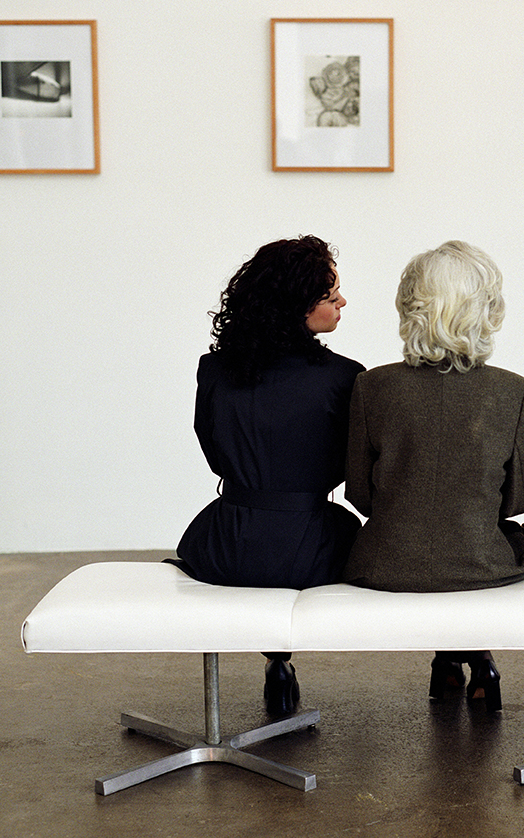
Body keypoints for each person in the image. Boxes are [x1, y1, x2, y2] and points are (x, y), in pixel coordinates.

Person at [343, 241, 524, 711]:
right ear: (486, 311)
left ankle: (449, 662)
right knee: (511, 537)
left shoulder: (372, 386)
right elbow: (518, 498)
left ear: (410, 307)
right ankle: (474, 661)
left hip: (387, 563)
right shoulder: (512, 390)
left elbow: (359, 493)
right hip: (481, 562)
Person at [174, 236, 364, 717]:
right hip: (313, 545)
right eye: (331, 294)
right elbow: (355, 467)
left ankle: (277, 663)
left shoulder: (214, 370)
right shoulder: (346, 377)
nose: (343, 301)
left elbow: (213, 451)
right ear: (298, 307)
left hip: (228, 544)